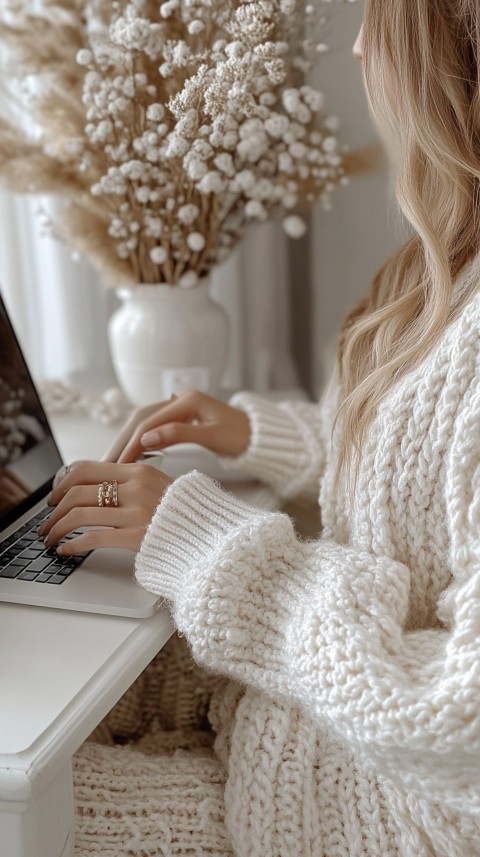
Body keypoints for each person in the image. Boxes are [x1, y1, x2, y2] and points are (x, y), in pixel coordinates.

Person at [40, 1, 480, 854]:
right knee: (59, 670)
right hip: (318, 716)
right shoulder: (456, 257)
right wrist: (259, 434)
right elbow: (431, 487)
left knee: (33, 794)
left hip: (388, 806)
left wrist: (206, 545)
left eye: (381, 18)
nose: (356, 45)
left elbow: (460, 721)